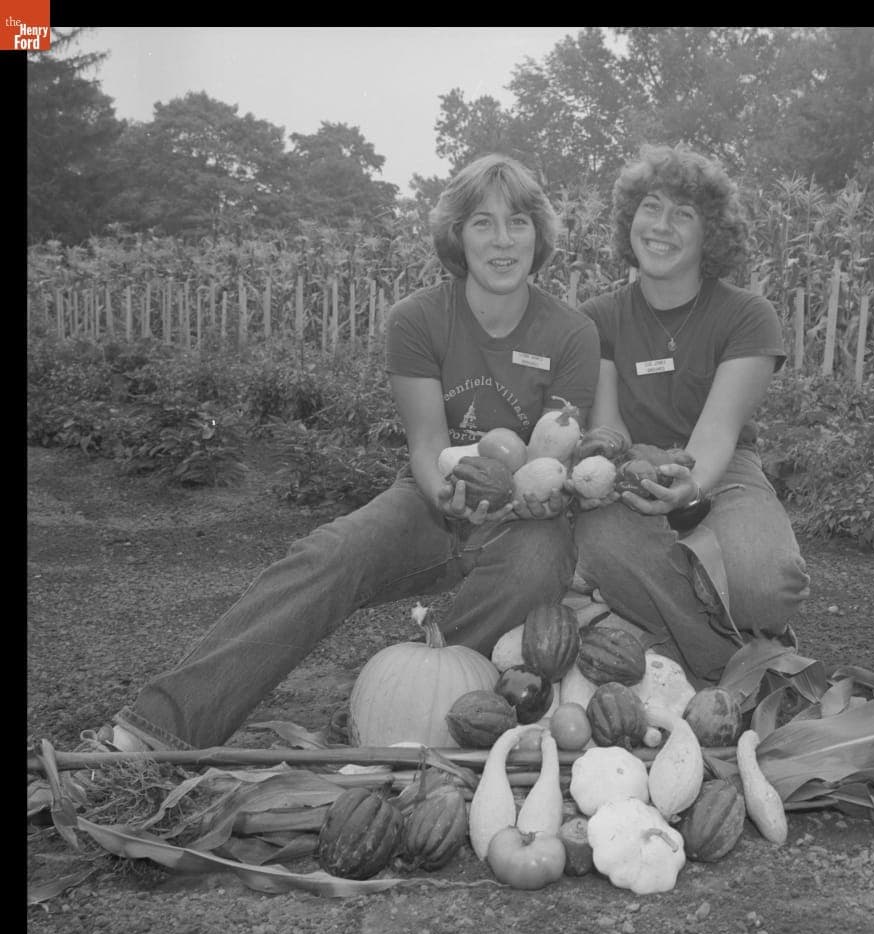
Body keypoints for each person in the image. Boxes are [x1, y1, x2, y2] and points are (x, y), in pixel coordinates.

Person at [84, 153, 600, 752]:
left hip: (525, 517)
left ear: (540, 234)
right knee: (330, 553)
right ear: (457, 235)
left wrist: (531, 504)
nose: (502, 240)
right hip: (435, 495)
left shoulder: (571, 332)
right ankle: (161, 727)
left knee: (538, 563)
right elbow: (427, 443)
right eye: (482, 223)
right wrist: (445, 495)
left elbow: (553, 456)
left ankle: (406, 712)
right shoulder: (418, 319)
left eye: (518, 222)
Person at [569, 144, 810, 686]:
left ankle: (646, 621)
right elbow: (610, 434)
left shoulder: (747, 315)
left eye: (684, 214)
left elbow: (719, 430)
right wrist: (636, 476)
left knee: (769, 589)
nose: (661, 226)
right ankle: (733, 659)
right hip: (630, 472)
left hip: (723, 471)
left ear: (711, 235)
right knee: (600, 540)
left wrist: (691, 484)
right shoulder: (597, 319)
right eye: (650, 207)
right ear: (630, 220)